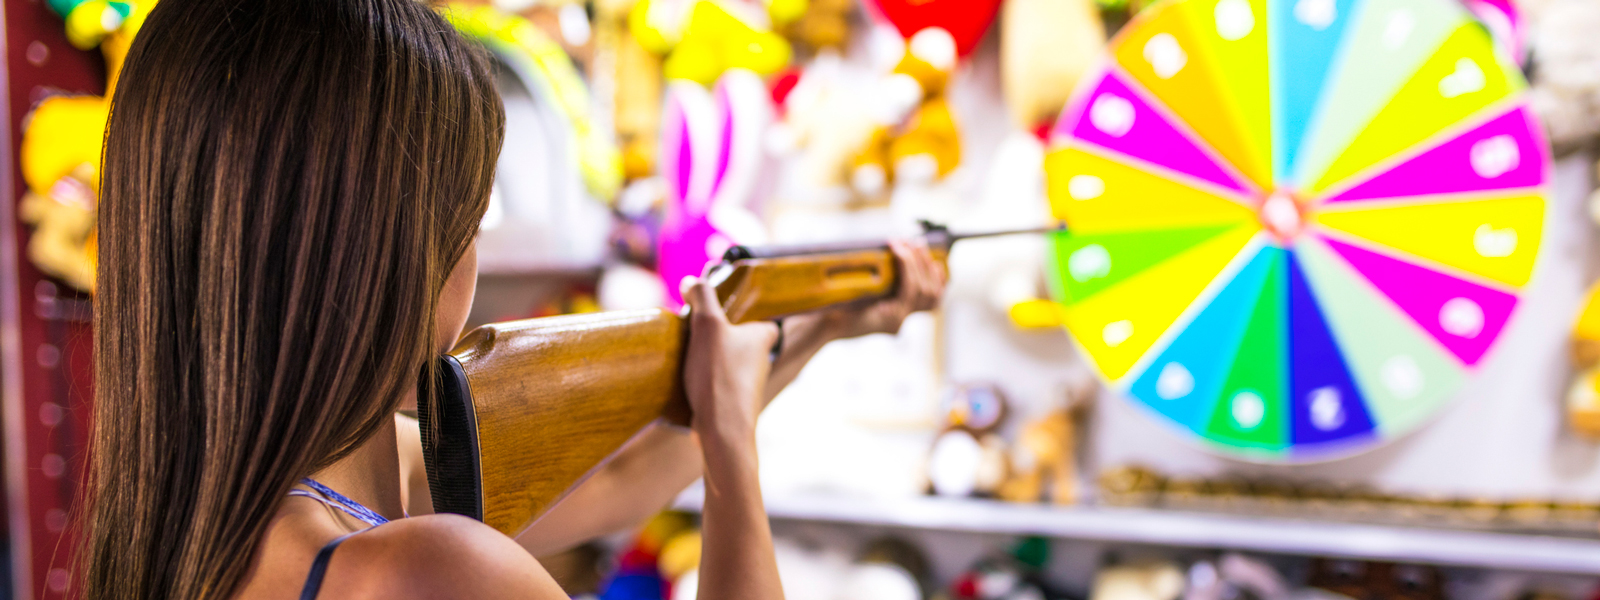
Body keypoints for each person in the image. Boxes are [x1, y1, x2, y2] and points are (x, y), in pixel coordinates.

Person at [79, 0, 946, 598]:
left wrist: (817, 328)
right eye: (468, 212)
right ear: (385, 251)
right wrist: (730, 443)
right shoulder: (427, 570)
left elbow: (619, 477)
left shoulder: (222, 519)